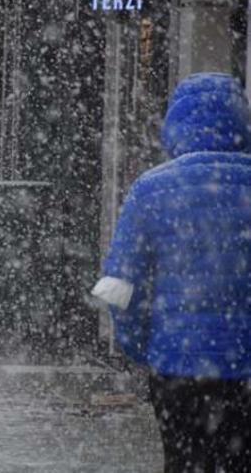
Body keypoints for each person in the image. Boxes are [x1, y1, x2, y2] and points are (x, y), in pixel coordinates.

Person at [92, 72, 251, 472]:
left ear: (175, 125)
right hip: (245, 370)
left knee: (184, 461)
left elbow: (121, 287)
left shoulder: (151, 189)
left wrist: (139, 347)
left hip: (176, 368)